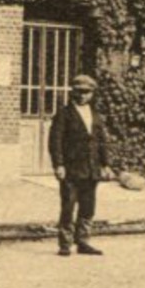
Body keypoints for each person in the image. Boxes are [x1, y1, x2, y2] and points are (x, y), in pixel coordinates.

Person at [49, 73, 113, 257]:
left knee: (88, 206)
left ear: (92, 94)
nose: (83, 96)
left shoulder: (95, 115)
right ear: (73, 93)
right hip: (71, 169)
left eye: (87, 92)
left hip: (91, 169)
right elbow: (55, 141)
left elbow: (102, 141)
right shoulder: (64, 114)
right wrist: (59, 165)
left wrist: (105, 164)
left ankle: (84, 241)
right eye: (79, 92)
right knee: (68, 205)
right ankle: (65, 243)